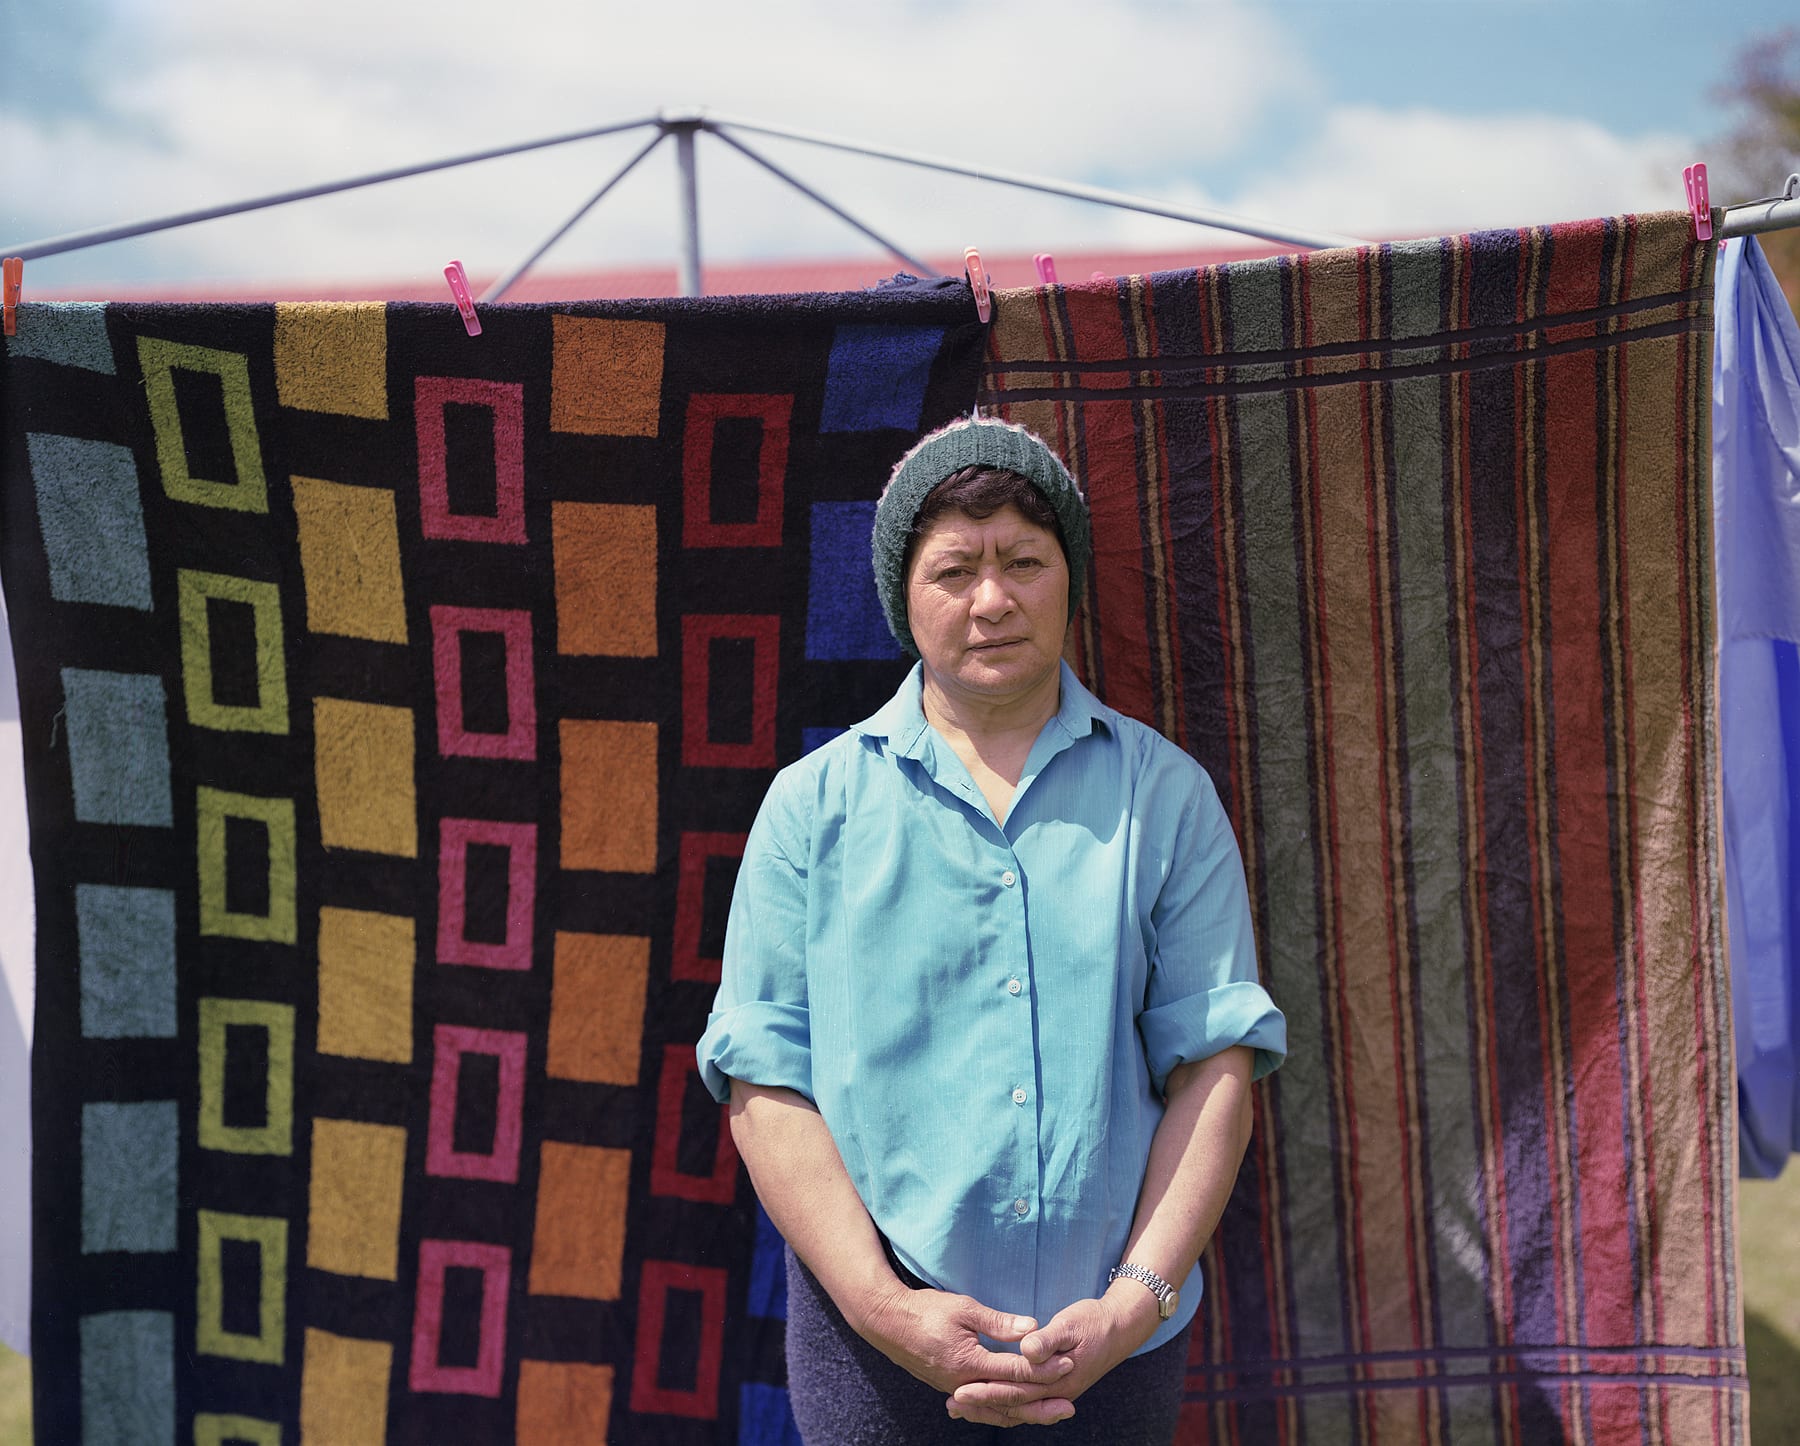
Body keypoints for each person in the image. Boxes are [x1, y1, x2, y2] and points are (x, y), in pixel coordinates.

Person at [697, 416, 1286, 1442]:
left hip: (1114, 1351)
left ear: (1067, 577)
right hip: (874, 1355)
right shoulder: (811, 810)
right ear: (902, 597)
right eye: (953, 569)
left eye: (1025, 560)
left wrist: (1132, 1300)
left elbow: (1217, 1067)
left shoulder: (1167, 797)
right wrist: (889, 1312)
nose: (993, 599)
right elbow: (764, 1082)